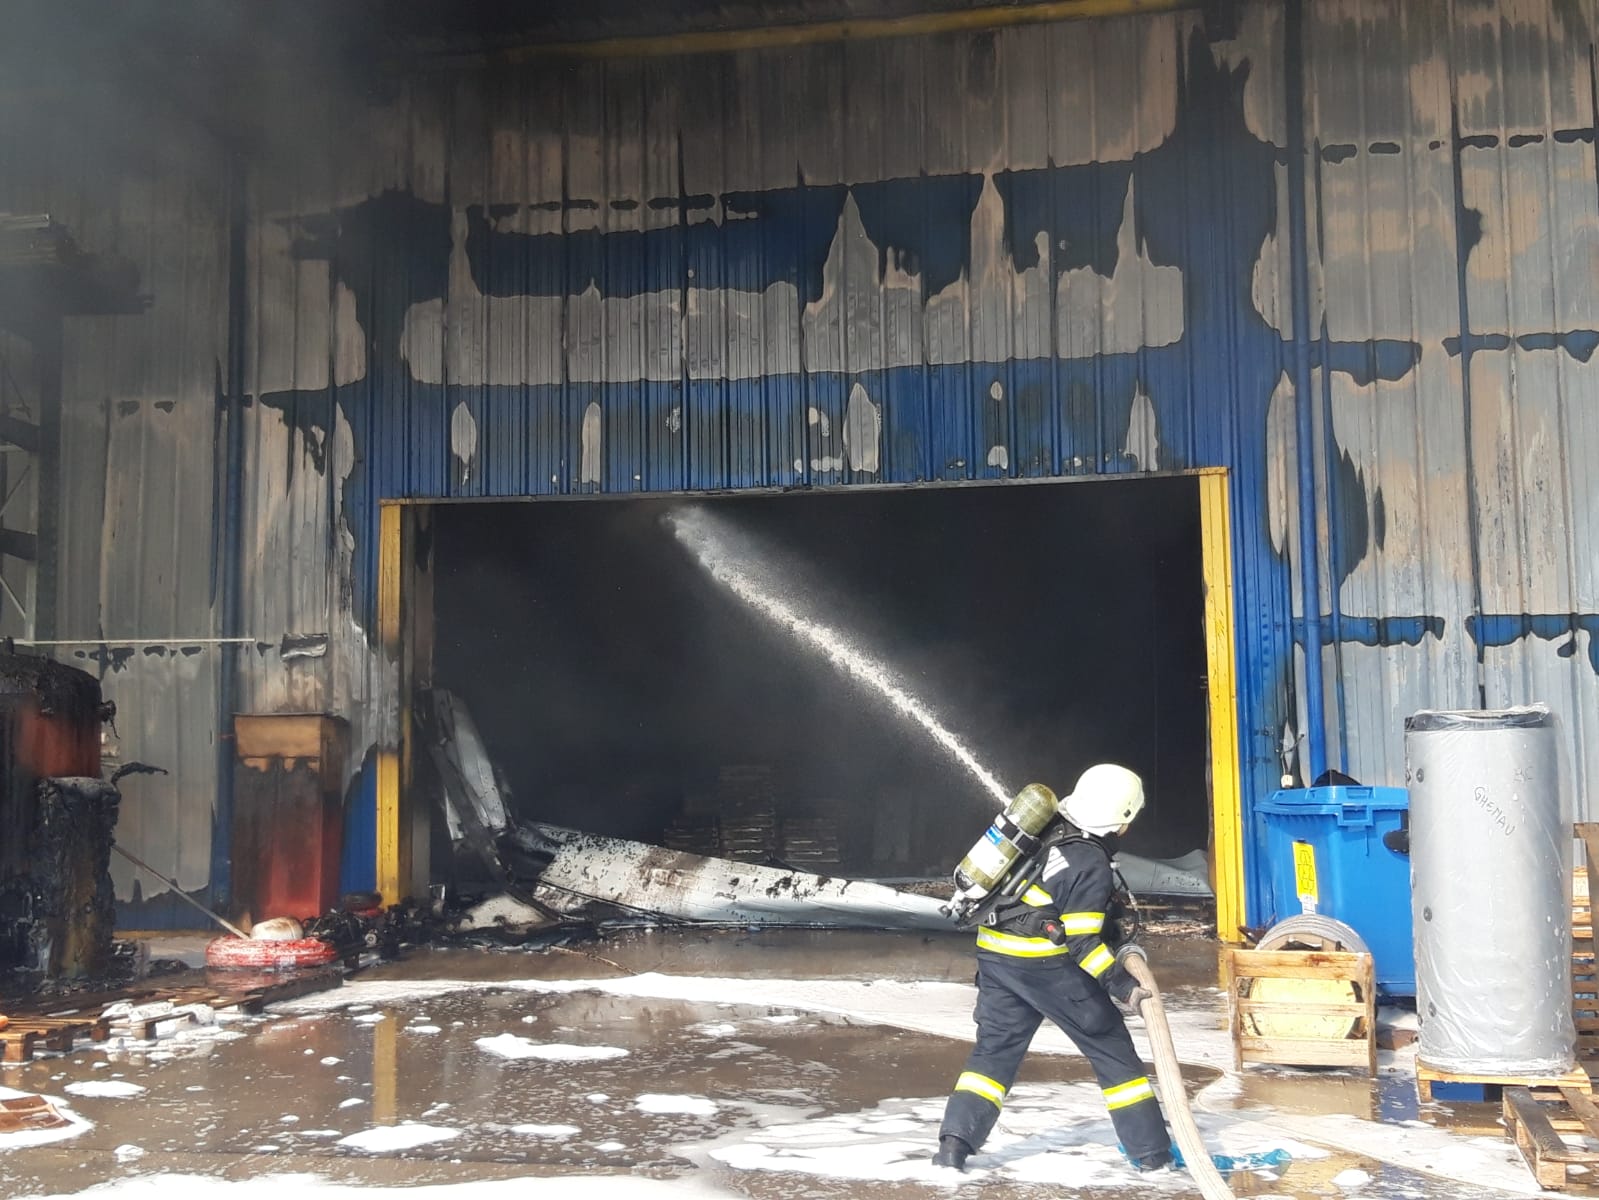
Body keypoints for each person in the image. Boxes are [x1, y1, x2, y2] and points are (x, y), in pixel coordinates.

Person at [932, 763, 1172, 1172]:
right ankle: (1152, 1156)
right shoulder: (1089, 861)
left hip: (996, 958)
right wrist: (1123, 986)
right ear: (1123, 819)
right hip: (1046, 967)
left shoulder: (1046, 829)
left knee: (994, 1052)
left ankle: (953, 1146)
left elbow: (1052, 902)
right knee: (1111, 1049)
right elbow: (1082, 943)